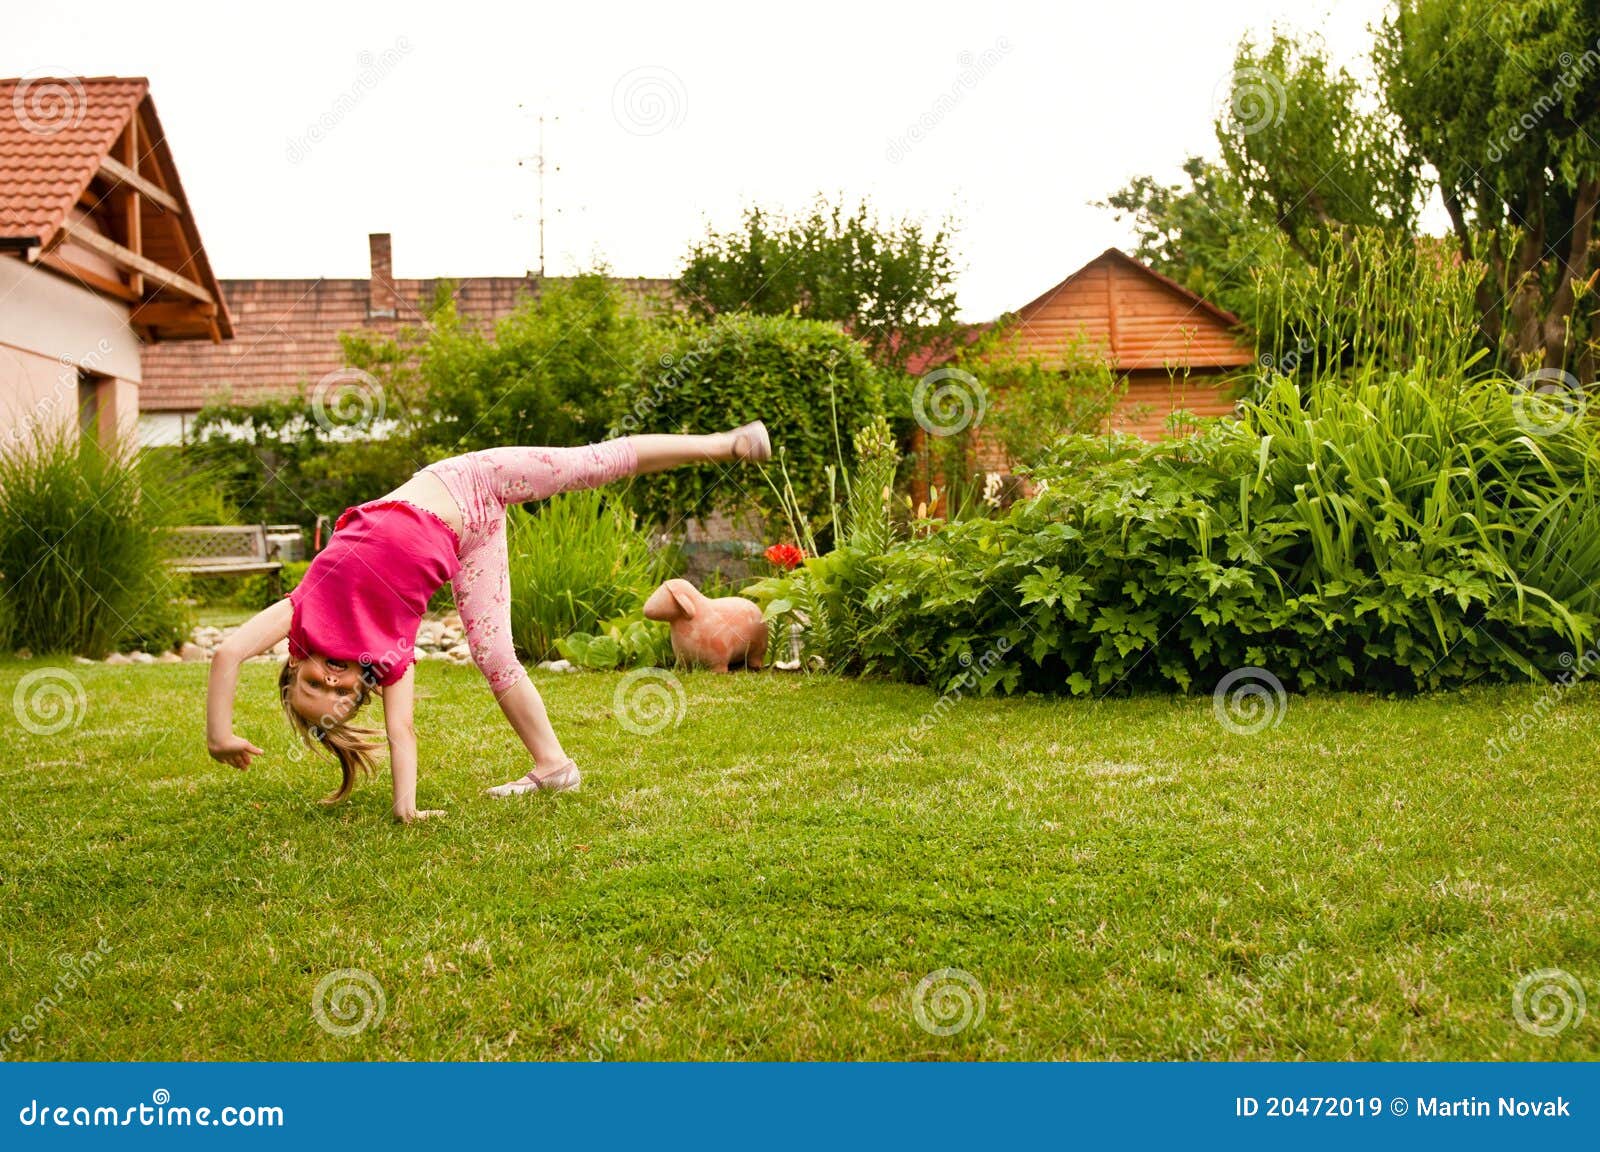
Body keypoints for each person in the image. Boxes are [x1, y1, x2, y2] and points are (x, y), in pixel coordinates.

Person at [203, 424, 771, 822]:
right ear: (359, 691)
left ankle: (727, 445)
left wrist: (220, 735)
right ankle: (554, 766)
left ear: (294, 662)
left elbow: (227, 653)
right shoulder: (388, 657)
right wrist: (406, 808)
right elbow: (402, 732)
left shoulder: (304, 606)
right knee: (494, 656)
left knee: (591, 464)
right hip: (467, 539)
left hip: (465, 482)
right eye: (339, 696)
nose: (330, 681)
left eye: (310, 684)